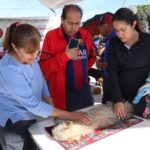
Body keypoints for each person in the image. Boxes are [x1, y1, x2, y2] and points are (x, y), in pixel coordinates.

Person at [0, 22, 90, 150]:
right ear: (14, 47)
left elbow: (40, 78)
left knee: (33, 145)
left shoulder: (31, 56)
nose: (34, 56)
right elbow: (34, 105)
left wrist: (48, 97)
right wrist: (69, 115)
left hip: (29, 115)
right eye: (30, 53)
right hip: (13, 121)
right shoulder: (8, 69)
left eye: (37, 52)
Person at [39, 4, 96, 111]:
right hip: (61, 95)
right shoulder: (51, 36)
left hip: (84, 93)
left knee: (88, 124)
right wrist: (65, 56)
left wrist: (79, 70)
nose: (74, 28)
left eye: (77, 23)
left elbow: (91, 58)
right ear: (62, 20)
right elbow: (43, 67)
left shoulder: (85, 35)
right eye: (70, 23)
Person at [107, 7, 150, 120]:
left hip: (143, 100)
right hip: (120, 100)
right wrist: (117, 99)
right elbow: (112, 71)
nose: (119, 34)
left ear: (133, 24)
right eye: (116, 30)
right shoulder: (114, 43)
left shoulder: (147, 41)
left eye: (123, 29)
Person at [96, 13, 116, 104]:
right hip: (108, 79)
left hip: (114, 82)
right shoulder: (108, 40)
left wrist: (106, 64)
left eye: (100, 26)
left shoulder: (117, 38)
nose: (98, 29)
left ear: (107, 25)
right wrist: (101, 61)